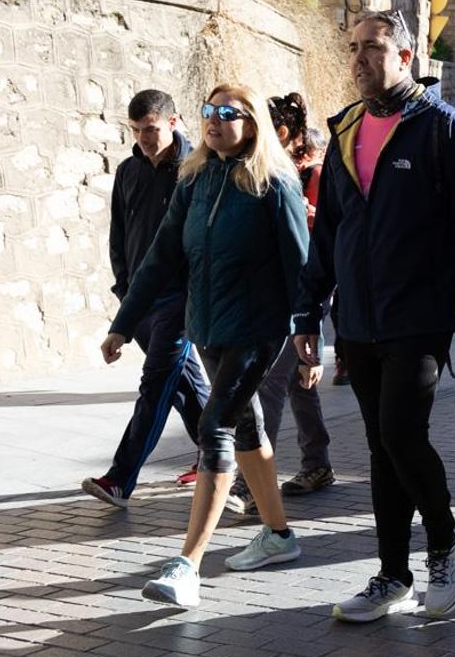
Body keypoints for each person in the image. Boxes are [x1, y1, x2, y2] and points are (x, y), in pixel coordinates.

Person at [292, 9, 455, 622]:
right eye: (352, 46)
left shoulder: (443, 129)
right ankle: (391, 574)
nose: (358, 58)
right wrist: (308, 312)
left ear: (405, 56)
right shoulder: (347, 129)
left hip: (419, 315)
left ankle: (444, 543)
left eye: (373, 47)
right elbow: (327, 232)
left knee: (402, 436)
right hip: (357, 320)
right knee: (383, 448)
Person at [101, 84, 311, 608]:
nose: (214, 120)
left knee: (215, 427)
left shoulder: (274, 184)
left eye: (228, 113)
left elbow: (300, 268)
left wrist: (313, 339)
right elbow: (159, 257)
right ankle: (279, 536)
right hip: (208, 327)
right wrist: (123, 323)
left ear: (253, 123)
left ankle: (186, 565)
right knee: (248, 426)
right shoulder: (195, 180)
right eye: (208, 111)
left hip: (258, 330)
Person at [82, 89, 210, 509]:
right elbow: (118, 236)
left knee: (155, 385)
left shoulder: (198, 168)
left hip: (179, 300)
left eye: (151, 129)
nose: (143, 138)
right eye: (136, 130)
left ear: (173, 123)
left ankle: (120, 479)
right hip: (138, 302)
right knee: (186, 389)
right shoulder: (127, 171)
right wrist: (125, 292)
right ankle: (221, 456)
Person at [229, 93, 337, 514]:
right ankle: (318, 463)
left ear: (283, 133)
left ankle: (251, 483)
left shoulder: (310, 175)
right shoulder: (265, 173)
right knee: (294, 384)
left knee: (269, 384)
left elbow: (325, 239)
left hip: (304, 294)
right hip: (274, 294)